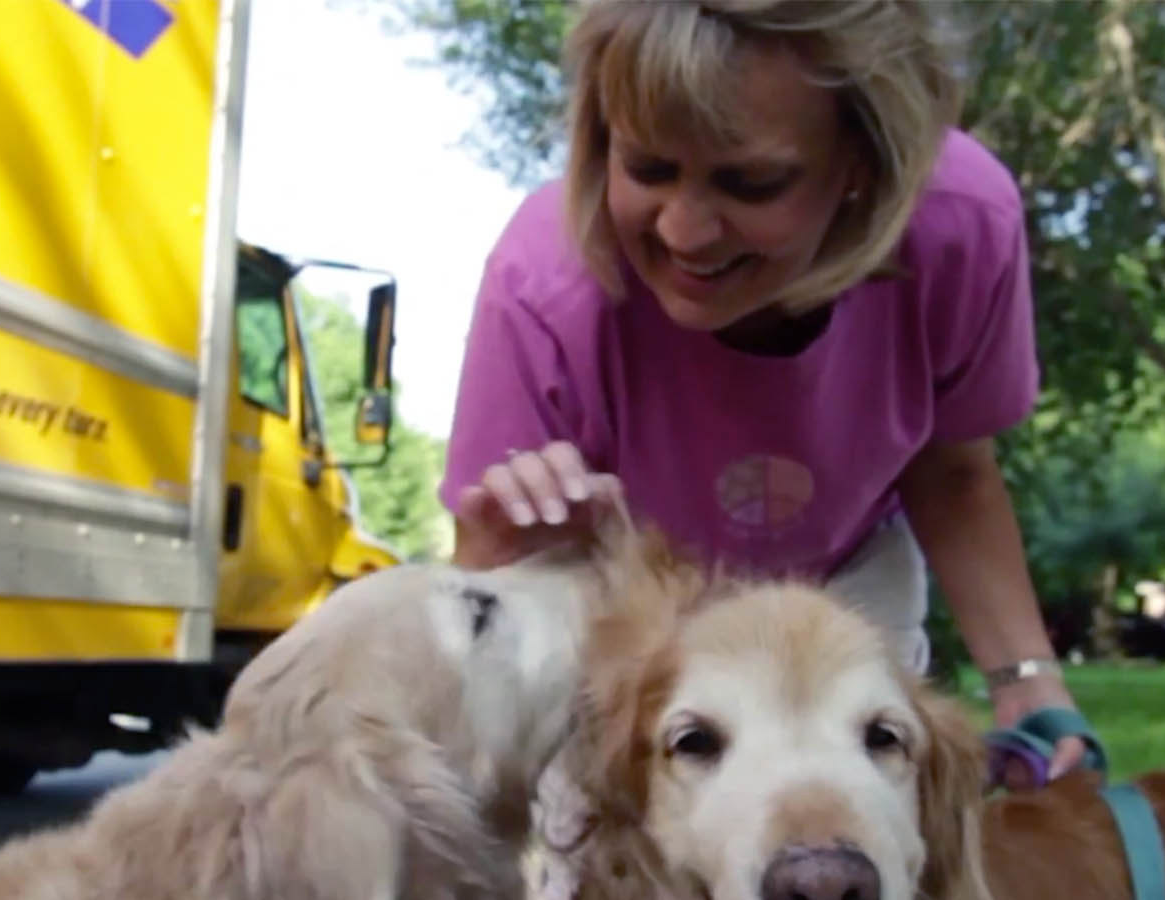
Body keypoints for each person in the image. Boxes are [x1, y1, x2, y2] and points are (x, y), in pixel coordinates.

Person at [437, 1, 1086, 890]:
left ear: (862, 162)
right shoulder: (542, 284)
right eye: (648, 167)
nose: (684, 232)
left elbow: (956, 474)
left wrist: (1029, 686)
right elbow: (484, 598)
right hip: (622, 630)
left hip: (853, 579)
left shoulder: (960, 226)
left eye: (750, 183)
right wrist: (496, 556)